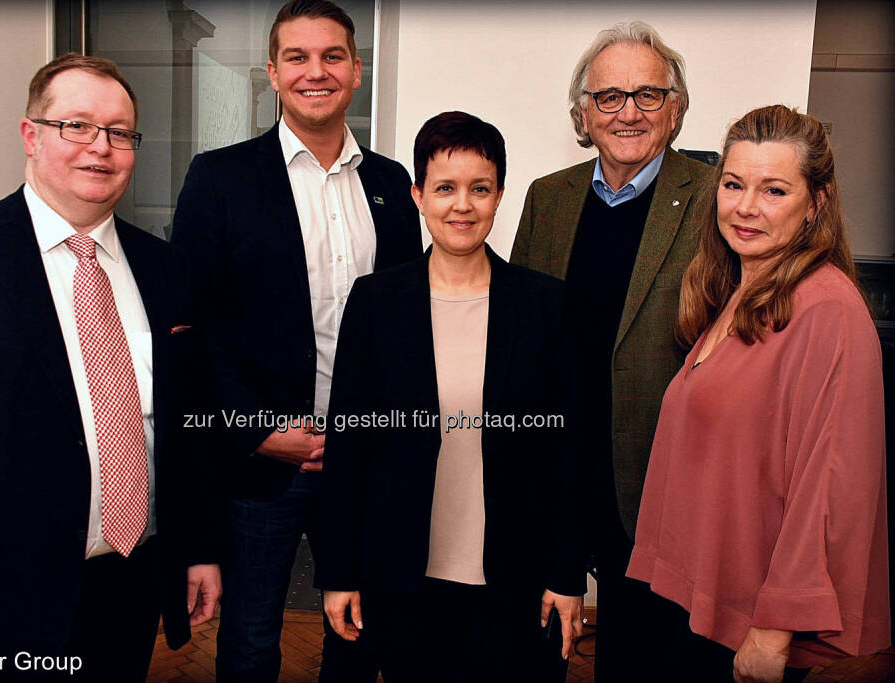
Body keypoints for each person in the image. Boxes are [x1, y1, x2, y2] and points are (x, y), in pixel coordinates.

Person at [0, 53, 222, 682]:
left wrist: (195, 550)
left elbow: (176, 427)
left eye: (119, 132)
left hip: (128, 583)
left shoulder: (165, 269)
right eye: (77, 126)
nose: (101, 148)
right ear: (31, 135)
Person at [170, 1, 422, 680]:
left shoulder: (392, 186)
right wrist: (255, 429)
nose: (317, 71)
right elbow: (191, 330)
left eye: (333, 55)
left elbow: (406, 324)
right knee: (251, 640)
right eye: (298, 57)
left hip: (363, 457)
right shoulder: (220, 178)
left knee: (358, 631)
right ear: (274, 74)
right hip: (264, 462)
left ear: (357, 70)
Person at [317, 111, 586, 683]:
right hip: (402, 577)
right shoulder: (376, 303)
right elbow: (348, 453)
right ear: (418, 195)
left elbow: (568, 457)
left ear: (499, 196)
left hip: (515, 580)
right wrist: (339, 571)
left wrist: (567, 575)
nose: (462, 205)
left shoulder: (546, 307)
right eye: (445, 188)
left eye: (479, 188)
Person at [627, 105, 890, 683]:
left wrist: (773, 633)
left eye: (773, 190)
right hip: (694, 607)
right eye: (733, 184)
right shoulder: (733, 292)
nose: (746, 207)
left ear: (816, 203)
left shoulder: (827, 312)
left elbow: (828, 491)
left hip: (748, 628)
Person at [509, 21, 713, 680]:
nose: (628, 112)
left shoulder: (717, 201)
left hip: (658, 486)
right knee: (531, 658)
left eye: (648, 95)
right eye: (609, 97)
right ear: (582, 113)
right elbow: (517, 335)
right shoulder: (549, 197)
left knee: (640, 664)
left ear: (675, 107)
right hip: (556, 477)